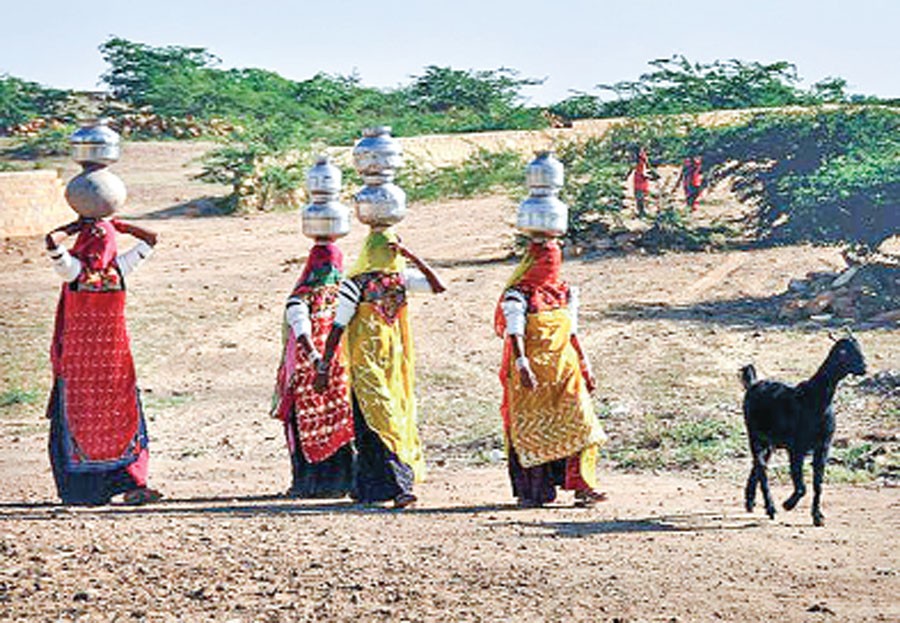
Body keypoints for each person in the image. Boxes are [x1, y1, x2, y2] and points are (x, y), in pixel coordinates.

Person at [314, 230, 445, 508]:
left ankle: (368, 488)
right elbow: (337, 328)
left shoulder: (400, 281)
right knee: (381, 418)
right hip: (366, 364)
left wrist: (413, 258)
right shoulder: (355, 285)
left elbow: (438, 286)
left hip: (393, 366)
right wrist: (324, 367)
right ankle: (400, 487)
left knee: (377, 420)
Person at [44, 217, 162, 506]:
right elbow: (151, 239)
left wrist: (77, 226)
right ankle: (130, 482)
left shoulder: (73, 270)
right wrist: (118, 225)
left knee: (82, 420)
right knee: (120, 418)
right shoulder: (119, 268)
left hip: (80, 363)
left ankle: (84, 490)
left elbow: (51, 241)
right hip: (113, 360)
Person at [495, 237, 607, 508]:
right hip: (531, 374)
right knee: (533, 429)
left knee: (584, 424)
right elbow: (515, 332)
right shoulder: (518, 295)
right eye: (545, 260)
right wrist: (522, 364)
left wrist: (585, 364)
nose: (550, 265)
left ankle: (583, 486)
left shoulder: (565, 293)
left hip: (564, 370)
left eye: (554, 259)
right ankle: (533, 491)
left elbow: (572, 332)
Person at [271, 241, 355, 498]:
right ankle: (341, 483)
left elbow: (301, 330)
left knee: (306, 427)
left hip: (308, 375)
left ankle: (310, 484)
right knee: (337, 423)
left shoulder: (300, 296)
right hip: (337, 372)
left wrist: (317, 361)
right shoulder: (346, 293)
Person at [626, 147, 655, 217]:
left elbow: (633, 168)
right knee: (640, 195)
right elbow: (647, 167)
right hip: (640, 177)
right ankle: (642, 211)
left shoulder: (641, 158)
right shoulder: (642, 158)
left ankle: (641, 211)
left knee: (639, 195)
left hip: (640, 177)